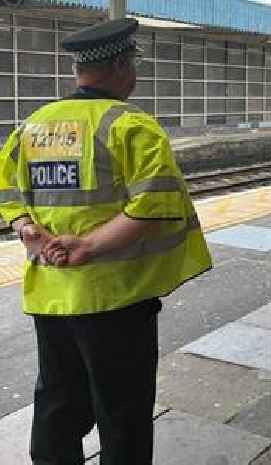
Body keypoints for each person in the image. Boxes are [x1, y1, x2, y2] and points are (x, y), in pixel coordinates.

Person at [0, 18, 212, 464]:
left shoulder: (34, 125)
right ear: (121, 65)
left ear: (79, 71)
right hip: (117, 298)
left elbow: (7, 192)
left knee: (57, 404)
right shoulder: (131, 125)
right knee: (123, 413)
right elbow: (155, 205)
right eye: (133, 64)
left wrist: (27, 230)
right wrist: (88, 247)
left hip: (52, 297)